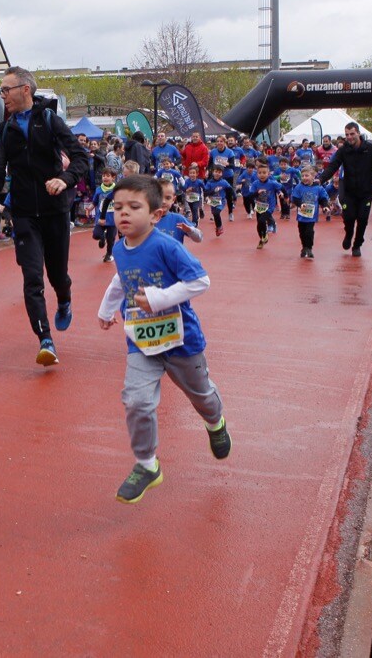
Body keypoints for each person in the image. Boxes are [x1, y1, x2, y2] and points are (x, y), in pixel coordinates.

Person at [96, 174, 230, 504]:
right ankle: (147, 464)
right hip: (141, 340)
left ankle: (215, 421)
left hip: (181, 341)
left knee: (201, 396)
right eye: (117, 207)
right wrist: (106, 309)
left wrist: (159, 298)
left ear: (156, 215)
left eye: (133, 207)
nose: (123, 213)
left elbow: (201, 282)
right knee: (136, 401)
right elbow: (120, 280)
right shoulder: (119, 248)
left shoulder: (167, 246)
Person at [0, 66, 88, 366]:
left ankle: (64, 298)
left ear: (25, 89)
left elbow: (81, 158)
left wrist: (65, 179)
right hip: (23, 214)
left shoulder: (49, 120)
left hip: (54, 210)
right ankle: (45, 339)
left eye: (6, 90)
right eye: (1, 91)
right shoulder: (6, 129)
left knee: (56, 275)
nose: (2, 96)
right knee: (32, 278)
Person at [319, 122, 372, 257]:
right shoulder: (343, 150)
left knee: (362, 219)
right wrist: (321, 179)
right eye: (347, 135)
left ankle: (357, 244)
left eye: (352, 134)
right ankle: (348, 233)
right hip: (349, 191)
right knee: (349, 217)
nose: (349, 137)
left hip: (365, 192)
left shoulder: (370, 148)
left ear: (358, 133)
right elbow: (332, 166)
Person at [291, 166, 331, 258]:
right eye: (302, 176)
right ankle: (304, 247)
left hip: (311, 216)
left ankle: (309, 248)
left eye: (307, 175)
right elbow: (295, 198)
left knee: (309, 232)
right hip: (301, 216)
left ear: (313, 177)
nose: (304, 178)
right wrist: (300, 204)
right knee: (302, 232)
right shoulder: (299, 187)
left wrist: (325, 206)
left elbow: (323, 199)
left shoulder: (318, 188)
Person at [155, 178, 202, 244]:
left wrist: (190, 230)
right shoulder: (146, 219)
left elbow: (199, 238)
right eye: (159, 197)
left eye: (168, 198)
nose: (163, 201)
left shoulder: (178, 219)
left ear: (173, 199)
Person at [249, 159, 283, 249]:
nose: (262, 175)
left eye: (264, 173)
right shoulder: (255, 184)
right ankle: (262, 238)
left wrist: (284, 195)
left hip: (269, 207)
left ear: (268, 174)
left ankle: (265, 234)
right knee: (259, 224)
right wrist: (257, 192)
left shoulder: (272, 183)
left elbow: (281, 187)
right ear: (257, 174)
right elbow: (251, 195)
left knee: (262, 220)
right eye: (260, 173)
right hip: (259, 206)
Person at [204, 164, 232, 236]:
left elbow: (230, 189)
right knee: (215, 214)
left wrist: (234, 196)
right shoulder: (210, 182)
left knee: (216, 213)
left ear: (222, 174)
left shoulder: (224, 182)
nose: (217, 174)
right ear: (213, 172)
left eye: (219, 172)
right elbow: (206, 192)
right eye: (216, 171)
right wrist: (210, 194)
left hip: (221, 201)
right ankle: (218, 227)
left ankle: (220, 227)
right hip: (212, 201)